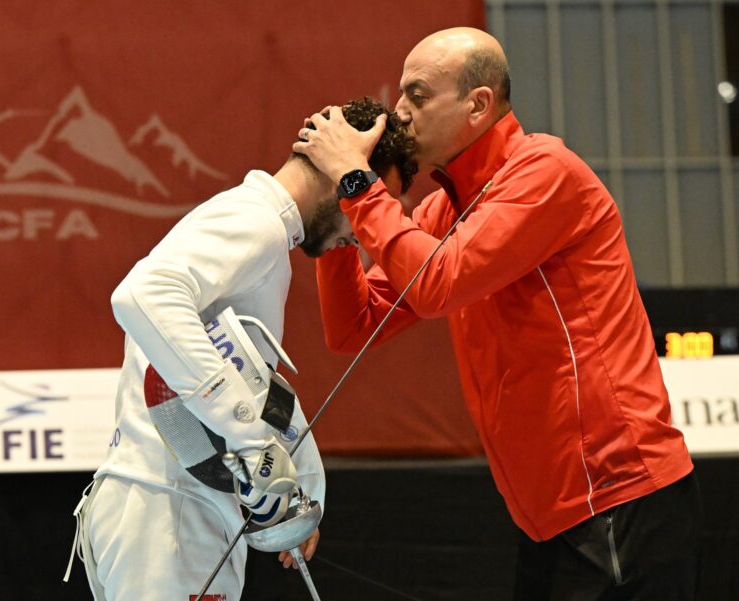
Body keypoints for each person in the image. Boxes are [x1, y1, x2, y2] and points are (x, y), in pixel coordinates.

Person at [294, 27, 702, 601]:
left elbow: (437, 284)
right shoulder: (446, 209)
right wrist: (340, 220)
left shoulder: (544, 172)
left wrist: (357, 184)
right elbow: (353, 326)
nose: (399, 112)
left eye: (417, 95)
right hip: (550, 517)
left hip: (618, 499)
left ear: (478, 104)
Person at [69, 97, 417, 601]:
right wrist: (251, 440)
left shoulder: (263, 229)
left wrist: (298, 485)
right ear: (338, 169)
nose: (361, 236)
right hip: (171, 516)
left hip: (171, 510)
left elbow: (246, 377)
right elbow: (141, 295)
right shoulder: (255, 221)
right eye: (361, 193)